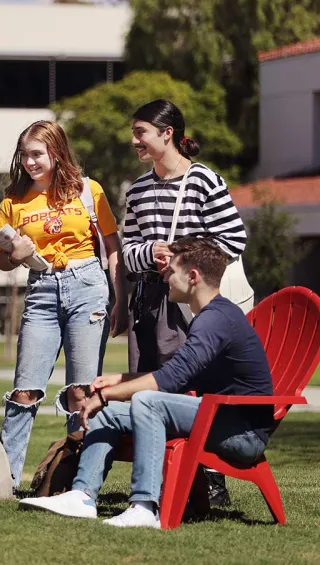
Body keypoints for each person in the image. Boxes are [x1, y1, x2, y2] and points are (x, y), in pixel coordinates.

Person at [19, 237, 274, 528]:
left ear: (193, 277)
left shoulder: (215, 319)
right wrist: (120, 380)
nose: (165, 277)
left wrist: (106, 394)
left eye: (172, 271)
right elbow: (180, 373)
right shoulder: (211, 316)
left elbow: (170, 380)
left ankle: (144, 506)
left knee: (146, 401)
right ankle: (82, 495)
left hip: (242, 432)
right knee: (112, 414)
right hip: (216, 416)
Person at [123, 99, 249, 505]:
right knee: (148, 388)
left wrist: (180, 259)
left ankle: (209, 483)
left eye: (141, 132)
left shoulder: (204, 181)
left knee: (194, 386)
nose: (135, 140)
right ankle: (161, 479)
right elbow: (127, 253)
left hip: (192, 302)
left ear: (167, 134)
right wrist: (150, 252)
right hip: (148, 302)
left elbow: (233, 239)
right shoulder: (138, 190)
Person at [0, 120, 128, 488]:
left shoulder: (88, 191)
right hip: (41, 290)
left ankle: (74, 481)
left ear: (56, 152)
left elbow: (112, 247)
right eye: (25, 154)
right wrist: (15, 255)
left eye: (37, 153)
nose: (30, 161)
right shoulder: (13, 202)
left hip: (87, 286)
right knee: (25, 391)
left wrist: (121, 298)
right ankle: (3, 480)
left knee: (80, 392)